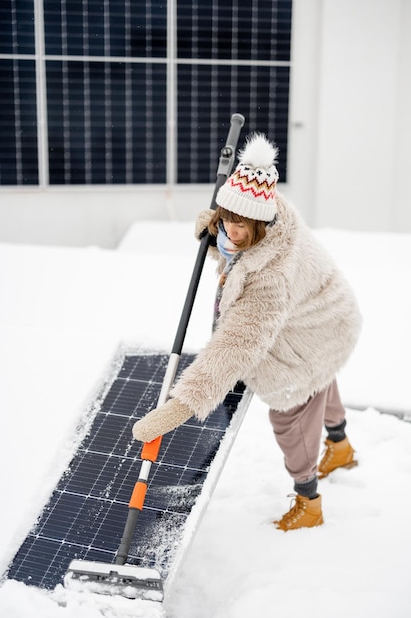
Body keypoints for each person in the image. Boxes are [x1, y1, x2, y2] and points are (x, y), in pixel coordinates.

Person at [133, 133, 362, 531]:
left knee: (291, 413)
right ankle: (340, 446)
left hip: (316, 331)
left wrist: (180, 406)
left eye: (240, 226)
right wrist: (217, 237)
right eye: (226, 220)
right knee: (322, 379)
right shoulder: (266, 204)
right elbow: (236, 245)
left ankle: (309, 503)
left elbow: (235, 348)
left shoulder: (270, 280)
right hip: (325, 316)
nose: (231, 232)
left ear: (260, 223)